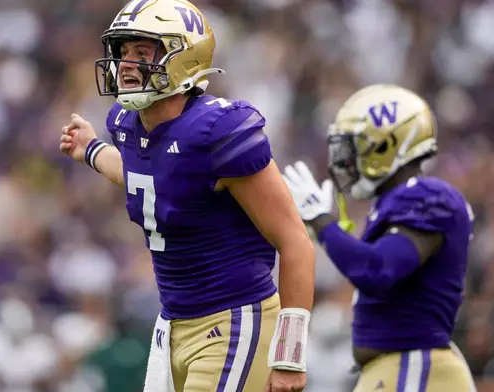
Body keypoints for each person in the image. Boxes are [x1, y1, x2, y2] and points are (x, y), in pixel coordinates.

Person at [58, 1, 315, 391]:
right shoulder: (127, 124)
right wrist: (92, 151)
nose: (126, 64)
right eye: (123, 52)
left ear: (184, 58)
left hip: (233, 319)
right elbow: (149, 178)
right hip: (173, 325)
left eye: (142, 52)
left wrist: (290, 354)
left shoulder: (218, 131)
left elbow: (295, 241)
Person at [282, 84, 477, 391]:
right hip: (396, 369)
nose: (344, 161)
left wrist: (322, 222)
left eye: (354, 147)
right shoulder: (395, 203)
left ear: (385, 145)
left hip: (414, 367)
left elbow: (378, 270)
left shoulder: (429, 196)